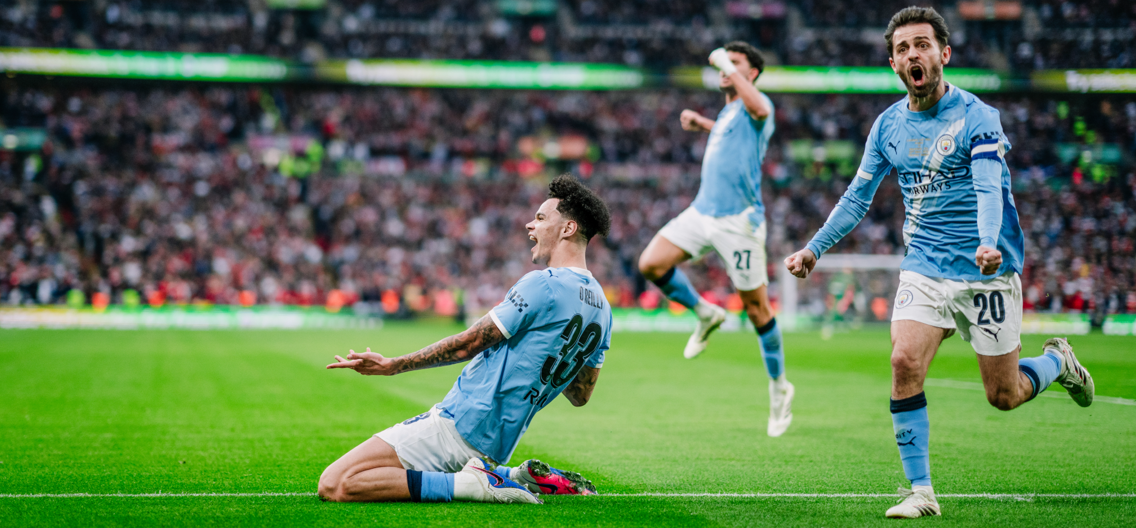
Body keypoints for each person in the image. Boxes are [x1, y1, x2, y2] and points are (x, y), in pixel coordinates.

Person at [784, 6, 1095, 519]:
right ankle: (921, 491)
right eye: (903, 48)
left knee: (1004, 394)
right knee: (903, 361)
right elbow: (857, 197)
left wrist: (989, 240)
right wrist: (814, 248)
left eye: (922, 45)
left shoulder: (977, 116)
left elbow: (988, 184)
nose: (913, 54)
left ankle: (1058, 361)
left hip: (985, 268)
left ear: (943, 54)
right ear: (893, 64)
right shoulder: (886, 126)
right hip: (924, 265)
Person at [318, 174, 612, 504]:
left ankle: (472, 484)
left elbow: (469, 342)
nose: (531, 226)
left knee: (336, 483)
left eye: (541, 218)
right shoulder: (603, 309)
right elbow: (580, 394)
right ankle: (507, 476)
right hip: (496, 443)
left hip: (462, 423)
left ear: (568, 229)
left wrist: (393, 365)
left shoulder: (543, 284)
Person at [637, 41, 794, 438]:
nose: (726, 69)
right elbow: (731, 141)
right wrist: (703, 124)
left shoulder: (758, 107)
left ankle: (779, 387)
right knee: (651, 263)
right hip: (701, 212)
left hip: (737, 222)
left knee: (757, 309)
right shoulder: (727, 113)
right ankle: (705, 313)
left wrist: (723, 60)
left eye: (736, 63)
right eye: (725, 63)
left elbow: (759, 111)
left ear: (752, 73)